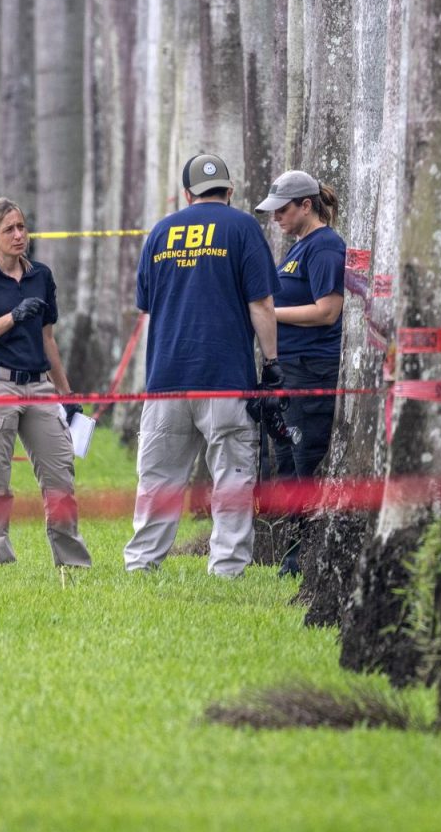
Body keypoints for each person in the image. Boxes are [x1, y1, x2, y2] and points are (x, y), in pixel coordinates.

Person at [123, 152, 281, 578]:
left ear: (187, 194)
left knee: (158, 480)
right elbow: (262, 305)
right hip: (226, 378)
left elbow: (146, 305)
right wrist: (273, 363)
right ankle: (227, 569)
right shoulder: (243, 228)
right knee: (231, 477)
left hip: (167, 379)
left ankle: (141, 565)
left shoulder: (159, 234)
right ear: (229, 191)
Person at [0, 197, 92, 568]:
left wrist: (67, 395)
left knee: (61, 476)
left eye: (22, 227)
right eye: (8, 230)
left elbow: (48, 340)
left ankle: (73, 561)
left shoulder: (40, 277)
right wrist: (11, 317)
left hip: (39, 387)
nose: (18, 235)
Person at [254, 169, 347, 577]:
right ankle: (291, 554)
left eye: (283, 209)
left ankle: (301, 556)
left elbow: (328, 310)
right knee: (287, 463)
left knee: (304, 461)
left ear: (306, 205)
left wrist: (268, 314)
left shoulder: (325, 247)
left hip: (311, 372)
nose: (276, 217)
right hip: (288, 371)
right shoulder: (298, 248)